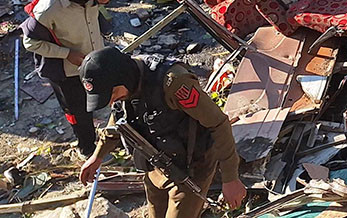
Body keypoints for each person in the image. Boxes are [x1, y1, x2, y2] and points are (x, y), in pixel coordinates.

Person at [77, 47, 247, 217]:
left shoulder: (173, 82)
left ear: (124, 77)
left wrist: (230, 178)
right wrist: (97, 156)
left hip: (192, 166)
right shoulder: (125, 87)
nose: (111, 101)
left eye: (113, 93)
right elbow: (119, 120)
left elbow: (218, 123)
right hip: (156, 163)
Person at [20, 0, 109, 157]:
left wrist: (101, 1)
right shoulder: (48, 9)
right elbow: (30, 42)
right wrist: (66, 53)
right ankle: (87, 149)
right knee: (78, 111)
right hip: (66, 71)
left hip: (92, 60)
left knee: (96, 98)